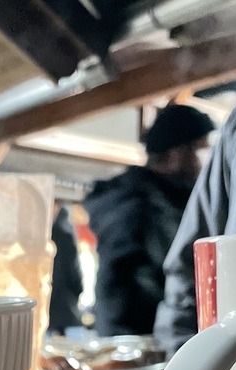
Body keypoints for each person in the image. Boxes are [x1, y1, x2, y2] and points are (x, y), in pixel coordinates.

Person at [84, 104, 215, 337]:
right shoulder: (137, 206)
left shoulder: (162, 200)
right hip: (142, 343)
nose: (206, 161)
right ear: (175, 154)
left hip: (157, 337)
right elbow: (128, 288)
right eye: (201, 149)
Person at [154, 94, 236, 356]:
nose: (201, 159)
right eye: (200, 149)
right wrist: (185, 368)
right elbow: (190, 269)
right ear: (176, 154)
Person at [48, 203, 84, 335]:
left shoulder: (43, 237)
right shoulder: (66, 233)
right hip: (69, 313)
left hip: (48, 314)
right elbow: (75, 276)